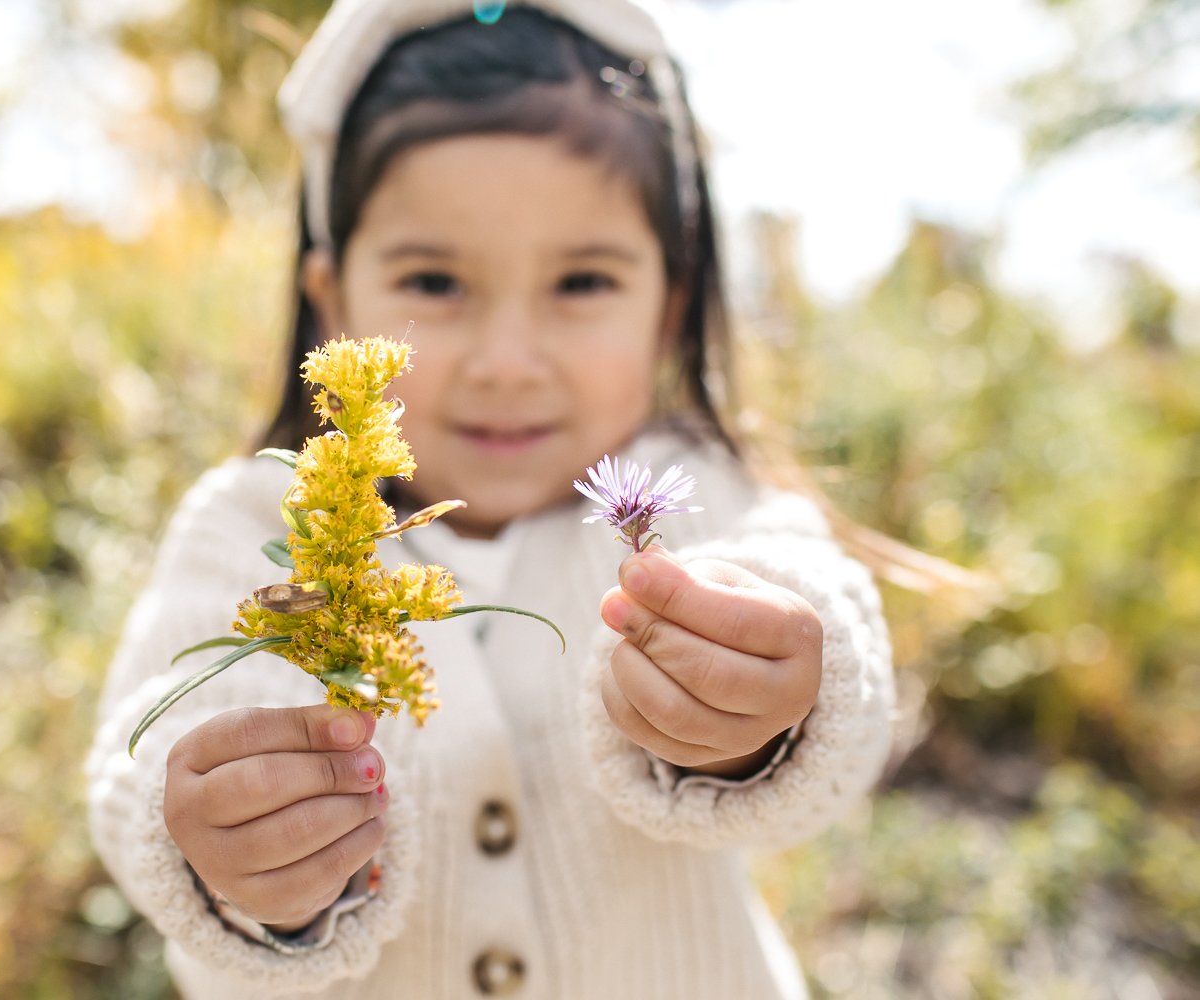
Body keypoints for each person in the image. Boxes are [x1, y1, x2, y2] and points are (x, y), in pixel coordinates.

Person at [85, 1, 895, 997]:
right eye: (434, 279)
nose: (508, 362)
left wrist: (779, 691)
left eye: (583, 282)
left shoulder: (691, 499)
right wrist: (234, 852)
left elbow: (813, 600)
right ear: (335, 304)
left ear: (667, 308)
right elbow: (150, 749)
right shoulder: (260, 523)